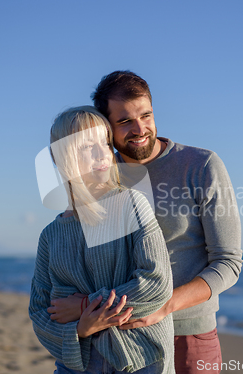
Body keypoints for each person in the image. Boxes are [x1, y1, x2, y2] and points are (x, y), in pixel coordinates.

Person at [49, 72, 243, 373]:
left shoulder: (201, 165)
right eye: (125, 121)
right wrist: (90, 309)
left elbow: (228, 263)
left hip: (189, 333)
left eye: (146, 115)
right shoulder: (99, 173)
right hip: (122, 338)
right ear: (106, 127)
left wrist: (163, 306)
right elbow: (89, 262)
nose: (139, 128)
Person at [29, 106, 175, 374]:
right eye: (87, 146)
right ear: (62, 156)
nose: (102, 154)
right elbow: (40, 312)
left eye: (106, 143)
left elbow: (157, 282)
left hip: (141, 359)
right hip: (78, 365)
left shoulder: (131, 204)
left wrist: (86, 306)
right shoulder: (50, 236)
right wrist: (81, 328)